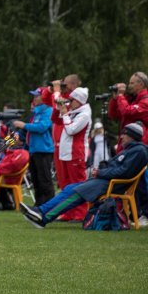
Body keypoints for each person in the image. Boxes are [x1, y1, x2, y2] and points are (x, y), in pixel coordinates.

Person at [21, 122, 148, 227]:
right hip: (105, 181)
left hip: (112, 184)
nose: (121, 137)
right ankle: (40, 210)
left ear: (132, 136)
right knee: (69, 188)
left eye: (125, 135)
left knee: (76, 194)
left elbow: (124, 172)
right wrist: (101, 169)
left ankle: (43, 218)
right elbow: (117, 167)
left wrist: (100, 172)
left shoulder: (139, 151)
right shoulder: (131, 150)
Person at [12, 88, 55, 205]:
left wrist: (24, 125)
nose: (34, 98)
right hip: (33, 149)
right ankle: (39, 204)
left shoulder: (49, 111)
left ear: (44, 97)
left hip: (44, 150)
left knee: (45, 180)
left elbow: (42, 127)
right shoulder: (37, 112)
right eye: (34, 96)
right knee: (36, 180)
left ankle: (49, 205)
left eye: (37, 96)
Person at [55, 86, 92, 220]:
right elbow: (56, 120)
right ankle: (68, 212)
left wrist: (65, 113)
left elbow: (71, 130)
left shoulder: (84, 114)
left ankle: (81, 214)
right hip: (66, 153)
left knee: (78, 184)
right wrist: (59, 108)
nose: (69, 102)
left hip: (76, 154)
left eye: (71, 100)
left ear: (79, 100)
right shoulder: (73, 111)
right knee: (66, 185)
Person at [108, 72, 148, 152]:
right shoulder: (132, 100)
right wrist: (115, 99)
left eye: (131, 83)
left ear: (141, 84)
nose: (129, 86)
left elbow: (127, 112)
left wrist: (120, 96)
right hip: (127, 145)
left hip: (139, 147)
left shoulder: (145, 101)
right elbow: (113, 114)